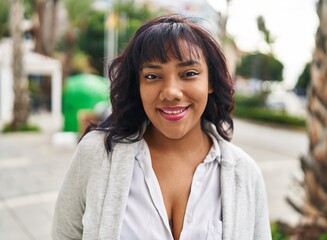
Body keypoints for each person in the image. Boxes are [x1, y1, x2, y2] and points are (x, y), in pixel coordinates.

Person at [52, 15, 272, 240]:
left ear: (211, 82)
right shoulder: (96, 154)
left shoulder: (245, 173)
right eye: (152, 76)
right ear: (137, 85)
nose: (170, 92)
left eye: (189, 74)